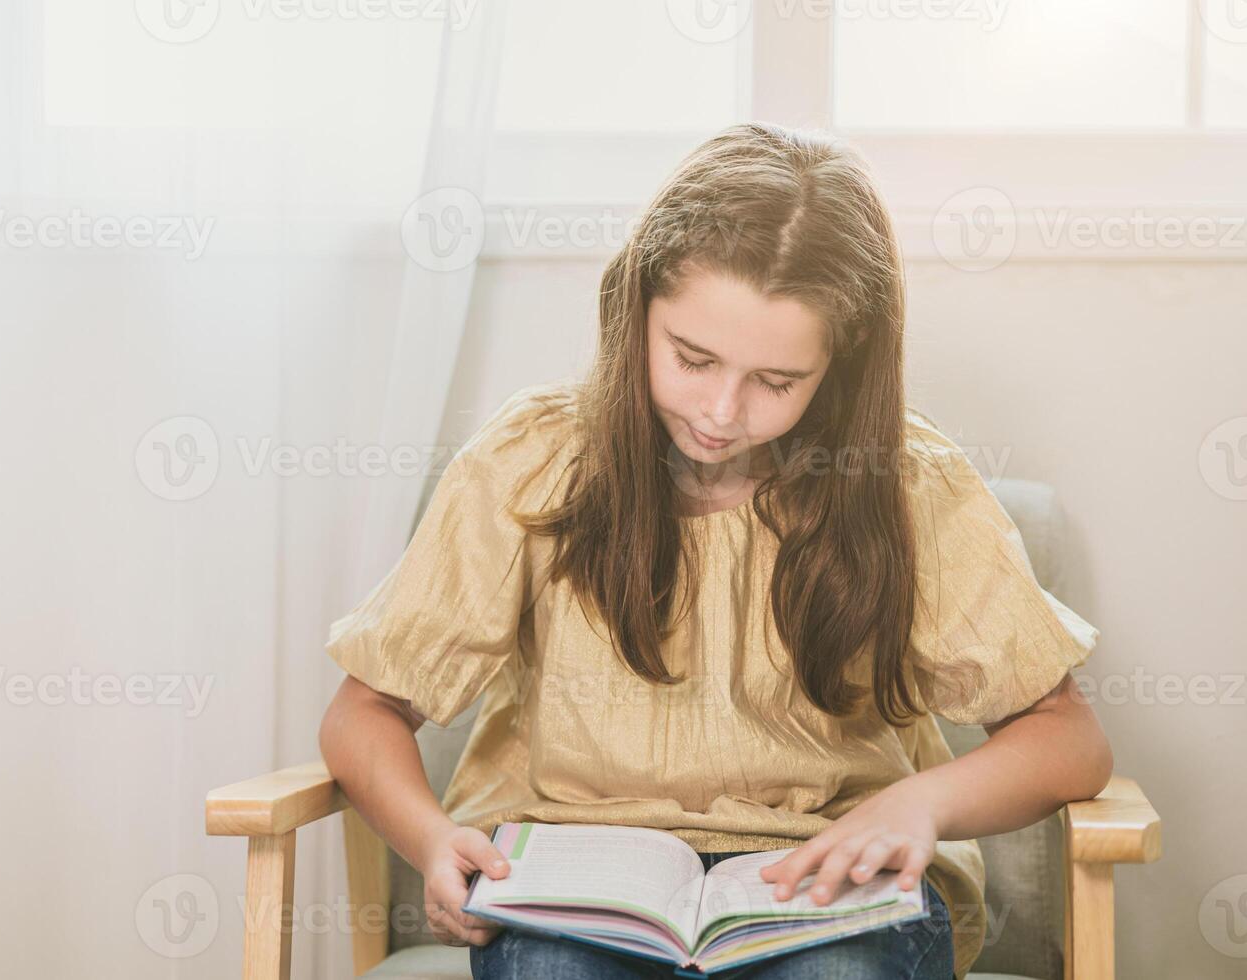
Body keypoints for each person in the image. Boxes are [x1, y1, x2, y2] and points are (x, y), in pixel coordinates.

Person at [317, 121, 1113, 979]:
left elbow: (1068, 741)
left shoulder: (906, 485)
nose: (721, 413)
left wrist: (920, 805)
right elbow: (364, 713)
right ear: (637, 313)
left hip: (825, 887)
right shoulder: (532, 461)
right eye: (692, 359)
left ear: (839, 366)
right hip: (580, 889)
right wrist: (432, 838)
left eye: (776, 383)